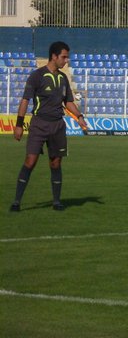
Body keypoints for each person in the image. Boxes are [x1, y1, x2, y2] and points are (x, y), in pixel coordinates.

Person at [10, 41, 88, 212]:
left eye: (67, 57)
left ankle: (57, 201)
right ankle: (17, 201)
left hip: (58, 126)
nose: (66, 60)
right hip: (39, 124)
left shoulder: (63, 78)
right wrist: (19, 125)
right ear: (54, 56)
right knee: (30, 161)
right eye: (64, 57)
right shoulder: (37, 76)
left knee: (56, 163)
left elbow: (68, 102)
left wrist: (79, 117)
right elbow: (25, 101)